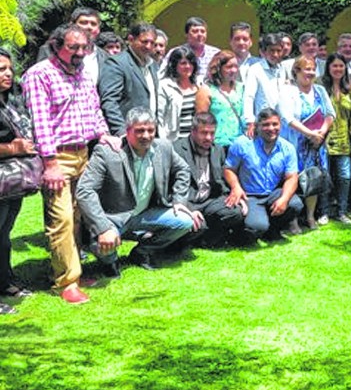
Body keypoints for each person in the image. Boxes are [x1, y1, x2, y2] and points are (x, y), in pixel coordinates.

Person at [22, 24, 121, 304]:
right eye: (73, 47)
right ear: (56, 46)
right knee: (61, 219)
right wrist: (50, 163)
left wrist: (103, 134)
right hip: (57, 157)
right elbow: (40, 123)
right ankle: (66, 282)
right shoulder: (39, 74)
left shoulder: (83, 73)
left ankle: (73, 269)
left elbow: (94, 110)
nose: (79, 52)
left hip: (83, 154)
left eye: (84, 47)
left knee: (78, 216)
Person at [76, 107, 200, 275]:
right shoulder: (107, 153)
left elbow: (183, 169)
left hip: (146, 214)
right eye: (140, 131)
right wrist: (103, 228)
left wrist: (179, 201)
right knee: (101, 244)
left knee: (185, 221)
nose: (146, 136)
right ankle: (110, 262)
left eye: (150, 130)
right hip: (113, 217)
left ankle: (142, 252)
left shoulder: (164, 147)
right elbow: (85, 190)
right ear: (127, 131)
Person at [224, 108, 304, 241]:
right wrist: (236, 187)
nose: (271, 128)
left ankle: (273, 230)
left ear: (280, 125)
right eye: (266, 125)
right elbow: (228, 169)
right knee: (256, 227)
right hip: (249, 196)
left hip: (273, 193)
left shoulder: (288, 148)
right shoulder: (242, 144)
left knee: (295, 204)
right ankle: (252, 229)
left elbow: (292, 177)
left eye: (275, 124)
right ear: (257, 126)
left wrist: (284, 199)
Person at [278, 56, 334, 231]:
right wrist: (310, 134)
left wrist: (321, 133)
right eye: (306, 69)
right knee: (292, 180)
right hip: (295, 144)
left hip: (316, 145)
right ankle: (293, 219)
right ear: (296, 71)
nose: (310, 73)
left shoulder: (320, 90)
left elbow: (330, 114)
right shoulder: (288, 91)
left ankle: (310, 216)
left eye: (313, 69)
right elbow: (287, 118)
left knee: (313, 180)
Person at [173, 112, 246, 246]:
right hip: (187, 202)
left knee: (236, 212)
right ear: (193, 131)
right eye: (204, 133)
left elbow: (222, 181)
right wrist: (188, 209)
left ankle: (207, 238)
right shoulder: (177, 150)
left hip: (209, 201)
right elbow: (171, 187)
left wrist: (234, 196)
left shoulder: (217, 150)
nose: (208, 138)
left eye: (212, 133)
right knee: (195, 225)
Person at [0, 49, 35, 314]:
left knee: (4, 232)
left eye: (9, 68)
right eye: (1, 69)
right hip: (5, 171)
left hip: (12, 179)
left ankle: (5, 282)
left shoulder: (12, 99)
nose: (8, 73)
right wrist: (13, 148)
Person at [320, 54, 351, 224]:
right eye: (334, 66)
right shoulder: (320, 85)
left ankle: (342, 212)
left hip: (344, 139)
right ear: (328, 68)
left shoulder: (350, 87)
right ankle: (323, 212)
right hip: (323, 139)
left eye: (341, 66)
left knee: (344, 177)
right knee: (324, 177)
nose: (338, 69)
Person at [98, 22, 160, 136]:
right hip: (129, 135)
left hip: (150, 133)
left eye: (152, 43)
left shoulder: (153, 65)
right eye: (144, 42)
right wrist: (121, 132)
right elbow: (110, 101)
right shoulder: (116, 64)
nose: (148, 46)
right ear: (131, 40)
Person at [195, 50, 246, 149]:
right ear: (218, 68)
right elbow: (201, 120)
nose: (233, 70)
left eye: (235, 66)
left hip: (240, 144)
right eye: (229, 67)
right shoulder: (207, 90)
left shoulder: (241, 88)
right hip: (217, 144)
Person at [243, 33, 288, 137]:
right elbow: (249, 97)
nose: (275, 54)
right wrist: (250, 122)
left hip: (280, 123)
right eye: (272, 50)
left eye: (278, 51)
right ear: (264, 51)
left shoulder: (282, 69)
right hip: (263, 122)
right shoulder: (255, 69)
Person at [157, 46, 199, 141]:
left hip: (195, 141)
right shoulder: (165, 86)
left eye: (191, 63)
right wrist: (163, 141)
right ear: (174, 65)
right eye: (183, 63)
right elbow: (160, 117)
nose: (188, 66)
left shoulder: (199, 85)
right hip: (174, 140)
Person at [161, 17, 221, 84]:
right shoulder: (175, 53)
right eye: (195, 31)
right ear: (186, 34)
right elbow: (163, 75)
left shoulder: (216, 53)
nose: (200, 34)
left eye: (203, 31)